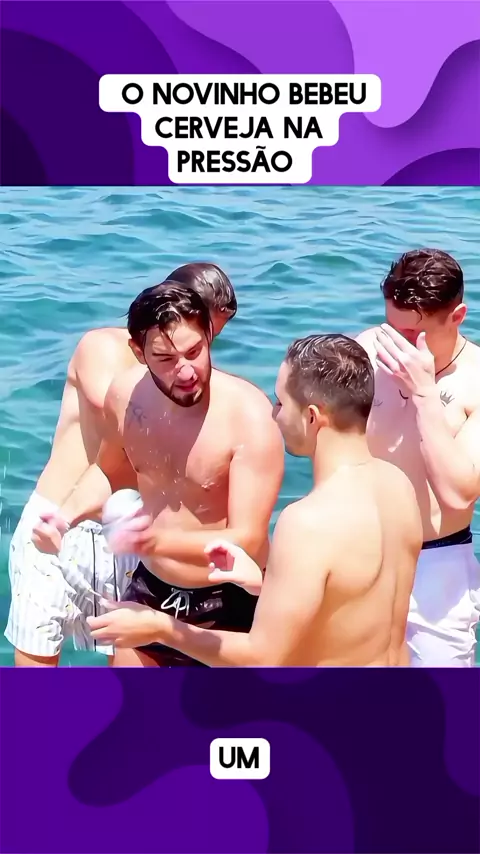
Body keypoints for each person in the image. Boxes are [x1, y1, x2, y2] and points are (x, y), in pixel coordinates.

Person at [86, 334, 423, 667]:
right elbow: (353, 604)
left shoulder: (308, 522)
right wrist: (265, 585)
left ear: (311, 417)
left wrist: (160, 627)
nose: (274, 415)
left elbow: (262, 657)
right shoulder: (398, 486)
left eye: (281, 403)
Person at [33, 283, 285, 667]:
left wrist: (153, 542)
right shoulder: (125, 395)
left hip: (229, 597)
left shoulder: (248, 417)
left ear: (209, 335)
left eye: (194, 352)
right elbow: (109, 471)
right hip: (150, 586)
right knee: (131, 705)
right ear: (139, 353)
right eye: (165, 359)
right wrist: (63, 517)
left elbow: (246, 540)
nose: (184, 371)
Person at [355, 248, 480, 666]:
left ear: (457, 316)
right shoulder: (367, 351)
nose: (398, 346)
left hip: (437, 565)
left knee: (441, 699)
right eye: (392, 328)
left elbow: (459, 493)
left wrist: (425, 393)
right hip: (360, 550)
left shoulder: (476, 380)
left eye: (413, 335)